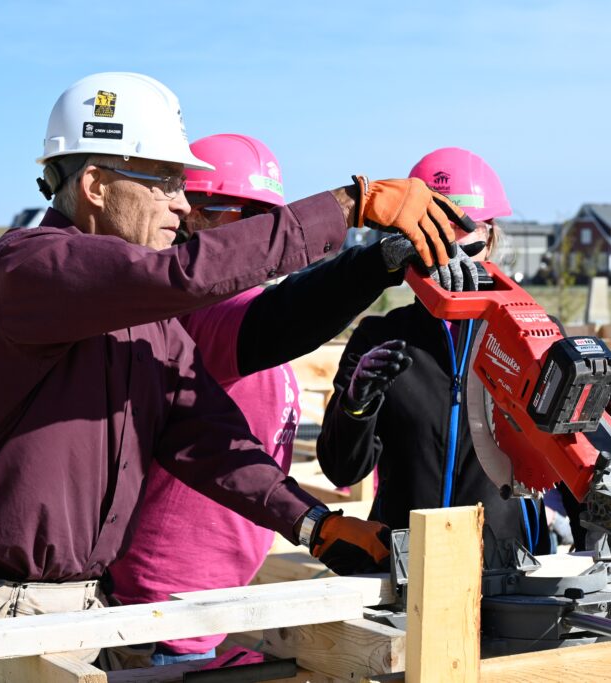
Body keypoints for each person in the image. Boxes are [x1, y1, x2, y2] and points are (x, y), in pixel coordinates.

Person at [0, 72, 473, 682]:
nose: (181, 203)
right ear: (94, 185)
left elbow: (204, 431)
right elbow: (188, 277)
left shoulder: (147, 321)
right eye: (166, 182)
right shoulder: (26, 267)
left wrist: (312, 523)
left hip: (77, 613)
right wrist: (349, 208)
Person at [108, 133, 444, 665]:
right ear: (190, 215)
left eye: (266, 218)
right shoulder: (201, 314)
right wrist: (377, 261)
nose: (260, 238)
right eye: (239, 216)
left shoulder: (228, 309)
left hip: (215, 604)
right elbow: (282, 319)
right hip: (165, 611)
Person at [317, 147, 552, 568]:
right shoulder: (381, 337)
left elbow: (571, 455)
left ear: (491, 235)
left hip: (504, 569)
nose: (454, 252)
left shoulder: (532, 337)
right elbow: (341, 471)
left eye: (466, 233)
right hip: (402, 566)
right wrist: (356, 406)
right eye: (438, 231)